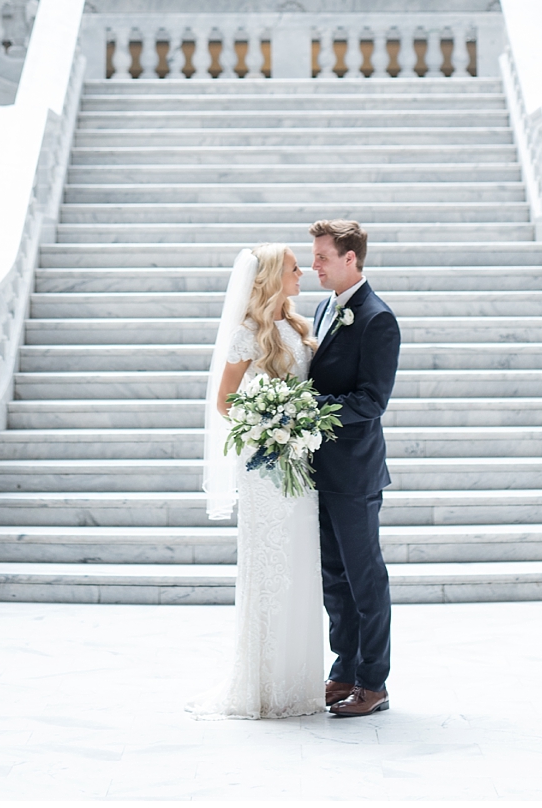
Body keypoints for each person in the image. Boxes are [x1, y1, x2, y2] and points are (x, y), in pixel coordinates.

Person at [198, 244, 325, 719]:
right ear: (273, 276)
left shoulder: (296, 326)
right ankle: (261, 685)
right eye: (295, 268)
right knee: (268, 567)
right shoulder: (247, 335)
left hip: (300, 464)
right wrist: (267, 424)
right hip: (264, 466)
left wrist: (295, 426)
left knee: (299, 565)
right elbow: (225, 402)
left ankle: (299, 683)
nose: (302, 274)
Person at [305, 219, 398, 716]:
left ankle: (373, 682)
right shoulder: (323, 308)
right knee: (334, 579)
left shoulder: (377, 318)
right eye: (314, 255)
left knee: (365, 579)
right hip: (321, 469)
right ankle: (343, 671)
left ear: (350, 259)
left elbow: (372, 400)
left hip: (356, 472)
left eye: (321, 256)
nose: (312, 265)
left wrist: (309, 413)